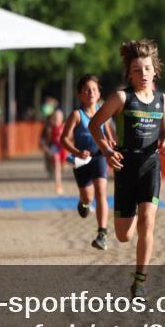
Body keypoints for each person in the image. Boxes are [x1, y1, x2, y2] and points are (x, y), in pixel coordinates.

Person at [89, 39, 165, 299]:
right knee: (124, 235)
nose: (143, 74)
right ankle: (134, 214)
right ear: (129, 72)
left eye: (147, 69)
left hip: (151, 165)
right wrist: (106, 151)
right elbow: (94, 125)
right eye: (137, 70)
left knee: (148, 225)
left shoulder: (164, 101)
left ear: (155, 70)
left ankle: (139, 282)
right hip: (126, 167)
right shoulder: (121, 98)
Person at [59, 75, 113, 250]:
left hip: (98, 156)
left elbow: (107, 133)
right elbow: (64, 139)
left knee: (100, 192)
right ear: (80, 94)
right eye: (87, 90)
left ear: (99, 94)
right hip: (81, 160)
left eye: (95, 90)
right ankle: (83, 203)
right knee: (88, 196)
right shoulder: (76, 115)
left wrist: (111, 147)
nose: (91, 92)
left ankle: (102, 233)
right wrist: (77, 152)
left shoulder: (102, 112)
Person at [40, 108, 67, 195]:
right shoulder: (48, 128)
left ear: (62, 118)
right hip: (53, 148)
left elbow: (71, 138)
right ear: (52, 118)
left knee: (62, 168)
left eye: (59, 117)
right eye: (55, 117)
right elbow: (42, 141)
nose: (57, 119)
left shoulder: (65, 126)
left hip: (63, 149)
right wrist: (46, 150)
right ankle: (58, 185)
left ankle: (55, 173)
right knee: (57, 164)